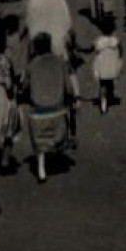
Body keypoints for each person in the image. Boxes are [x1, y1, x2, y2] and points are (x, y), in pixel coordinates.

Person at [24, 33, 73, 183]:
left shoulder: (31, 65)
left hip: (38, 111)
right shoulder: (61, 63)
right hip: (57, 109)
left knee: (40, 141)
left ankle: (41, 167)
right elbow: (69, 89)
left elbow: (25, 87)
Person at [90, 20, 123, 113]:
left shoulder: (98, 41)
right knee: (110, 82)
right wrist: (118, 58)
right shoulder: (116, 40)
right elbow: (121, 50)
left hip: (101, 65)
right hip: (111, 65)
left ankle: (103, 102)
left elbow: (90, 49)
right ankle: (110, 96)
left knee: (102, 84)